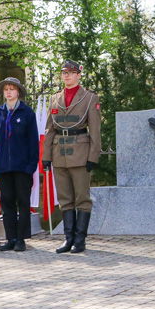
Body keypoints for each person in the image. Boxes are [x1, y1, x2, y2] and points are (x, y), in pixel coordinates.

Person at [42, 60, 101, 254]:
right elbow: (50, 129)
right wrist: (46, 155)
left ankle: (80, 240)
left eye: (71, 72)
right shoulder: (55, 98)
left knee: (82, 198)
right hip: (60, 153)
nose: (66, 75)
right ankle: (68, 239)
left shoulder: (89, 98)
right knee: (65, 198)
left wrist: (93, 156)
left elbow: (95, 130)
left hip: (80, 152)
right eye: (64, 72)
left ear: (78, 75)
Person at [0, 77, 38, 252]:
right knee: (7, 203)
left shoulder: (27, 113)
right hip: (4, 168)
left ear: (18, 92)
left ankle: (21, 239)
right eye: (6, 89)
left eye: (12, 89)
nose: (9, 92)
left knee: (23, 202)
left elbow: (33, 142)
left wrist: (30, 167)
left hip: (22, 167)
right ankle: (10, 238)